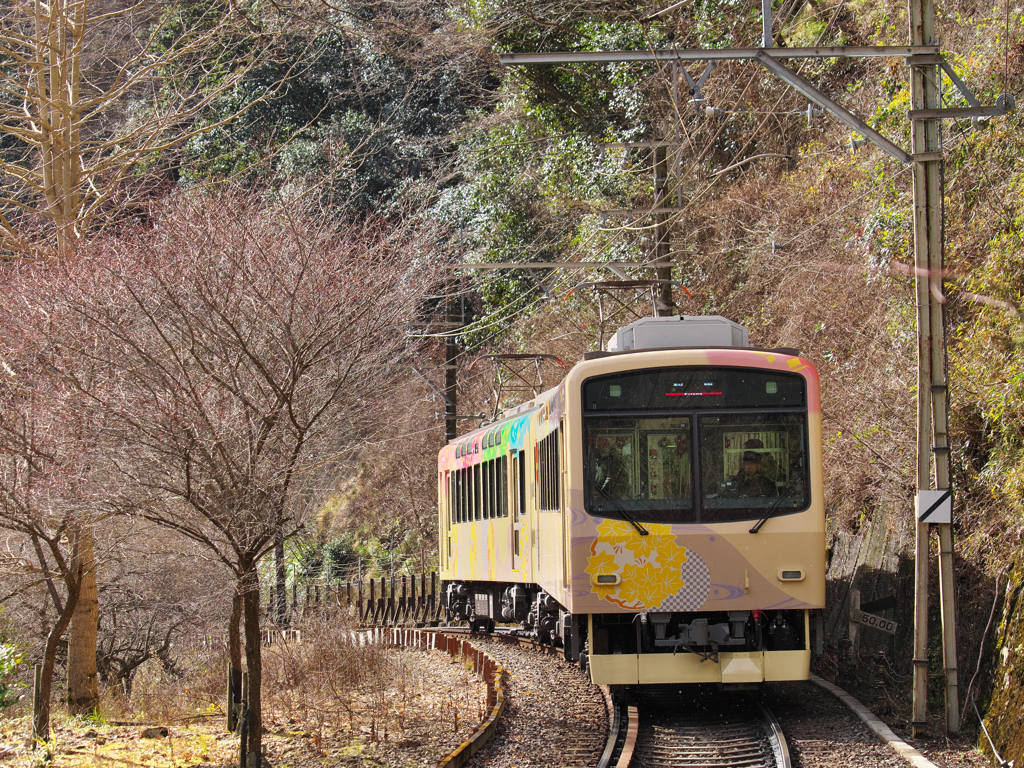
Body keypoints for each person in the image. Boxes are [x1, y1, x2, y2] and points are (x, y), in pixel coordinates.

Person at [592, 435, 632, 500]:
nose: (603, 447)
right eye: (599, 447)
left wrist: (601, 495)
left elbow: (616, 482)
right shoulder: (596, 463)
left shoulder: (614, 464)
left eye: (605, 444)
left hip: (611, 502)